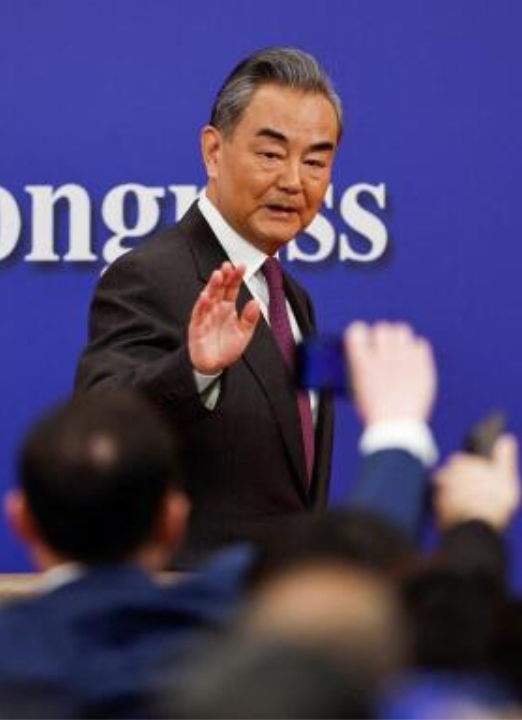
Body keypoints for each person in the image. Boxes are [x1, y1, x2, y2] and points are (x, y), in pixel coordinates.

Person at [0, 322, 444, 717]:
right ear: (173, 518)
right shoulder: (244, 625)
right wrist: (396, 429)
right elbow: (350, 571)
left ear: (22, 520)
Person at [74, 48, 344, 565]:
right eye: (271, 154)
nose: (293, 180)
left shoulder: (296, 301)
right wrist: (193, 370)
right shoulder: (150, 275)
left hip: (278, 616)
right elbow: (96, 427)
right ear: (213, 152)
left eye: (315, 161)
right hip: (189, 618)